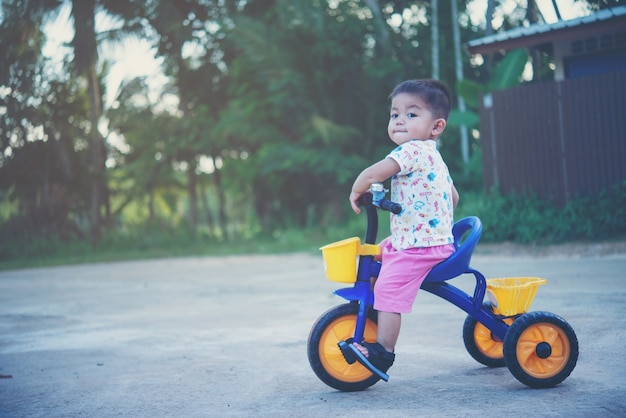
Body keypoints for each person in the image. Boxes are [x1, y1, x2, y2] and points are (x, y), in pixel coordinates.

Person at [341, 79, 460, 376]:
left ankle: (383, 353)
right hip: (417, 239)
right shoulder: (434, 156)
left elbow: (373, 173)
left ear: (436, 126)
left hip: (422, 247)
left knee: (389, 286)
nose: (400, 121)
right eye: (395, 114)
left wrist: (358, 188)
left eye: (412, 114)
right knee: (375, 258)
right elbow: (453, 196)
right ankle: (374, 313)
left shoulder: (412, 152)